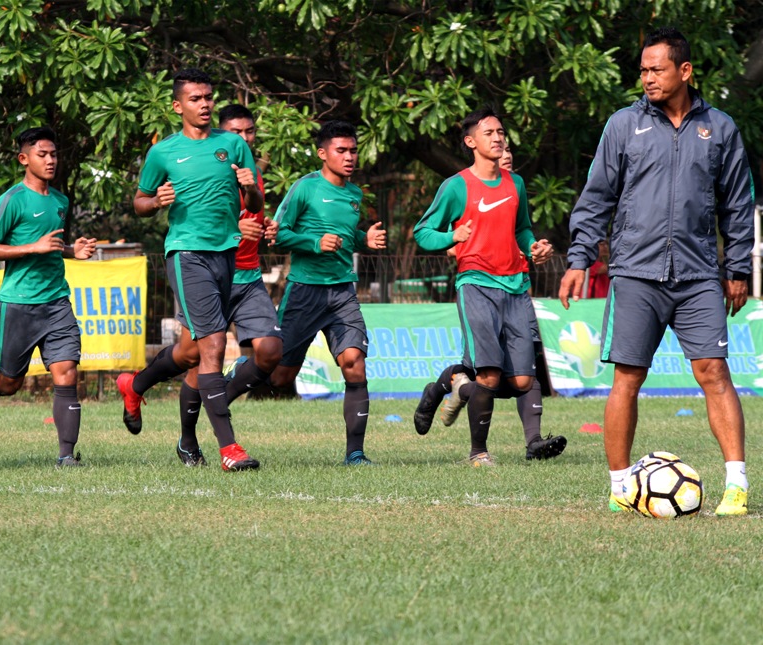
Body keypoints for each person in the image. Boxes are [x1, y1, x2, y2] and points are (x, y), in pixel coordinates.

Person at [559, 27, 753, 516]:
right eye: (642, 69)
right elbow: (597, 195)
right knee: (627, 377)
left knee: (714, 373)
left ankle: (736, 485)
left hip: (699, 276)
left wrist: (737, 268)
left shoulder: (721, 128)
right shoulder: (623, 125)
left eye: (656, 69)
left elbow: (737, 204)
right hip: (635, 273)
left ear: (684, 71)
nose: (646, 78)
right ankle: (621, 487)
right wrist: (580, 256)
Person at [118, 69, 265, 471]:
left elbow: (252, 200)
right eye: (196, 98)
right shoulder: (163, 152)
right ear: (177, 105)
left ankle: (136, 384)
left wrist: (250, 186)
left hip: (227, 255)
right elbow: (140, 202)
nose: (204, 105)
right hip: (187, 254)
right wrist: (157, 201)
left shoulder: (232, 144)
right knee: (213, 346)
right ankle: (229, 449)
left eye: (208, 97)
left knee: (188, 351)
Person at [412, 108, 554, 467]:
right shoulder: (456, 186)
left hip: (516, 287)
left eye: (501, 131)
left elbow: (522, 229)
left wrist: (533, 248)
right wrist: (452, 235)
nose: (497, 137)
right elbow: (422, 233)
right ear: (470, 141)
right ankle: (479, 452)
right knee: (490, 373)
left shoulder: (515, 183)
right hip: (476, 284)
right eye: (489, 132)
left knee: (522, 378)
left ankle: (455, 386)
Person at [0, 126, 97, 468]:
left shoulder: (60, 201)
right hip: (18, 304)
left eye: (54, 154)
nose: (50, 160)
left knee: (67, 373)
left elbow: (52, 248)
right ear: (24, 159)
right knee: (9, 383)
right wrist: (34, 247)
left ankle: (65, 456)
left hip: (57, 302)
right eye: (42, 154)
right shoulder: (12, 200)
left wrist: (74, 251)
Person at [267, 121, 387, 466]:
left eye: (353, 150)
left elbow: (344, 234)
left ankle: (356, 453)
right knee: (279, 376)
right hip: (304, 291)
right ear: (323, 154)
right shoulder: (304, 188)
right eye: (341, 150)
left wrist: (364, 238)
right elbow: (277, 234)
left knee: (354, 365)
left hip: (342, 293)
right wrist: (313, 243)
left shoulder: (354, 194)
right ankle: (233, 376)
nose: (350, 157)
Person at [174, 104, 283, 467]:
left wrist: (267, 228)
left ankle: (218, 400)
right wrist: (238, 228)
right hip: (207, 273)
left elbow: (256, 211)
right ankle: (189, 439)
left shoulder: (251, 172)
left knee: (269, 350)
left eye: (250, 132)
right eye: (236, 132)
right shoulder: (206, 165)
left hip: (248, 276)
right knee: (197, 359)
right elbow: (204, 221)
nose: (245, 139)